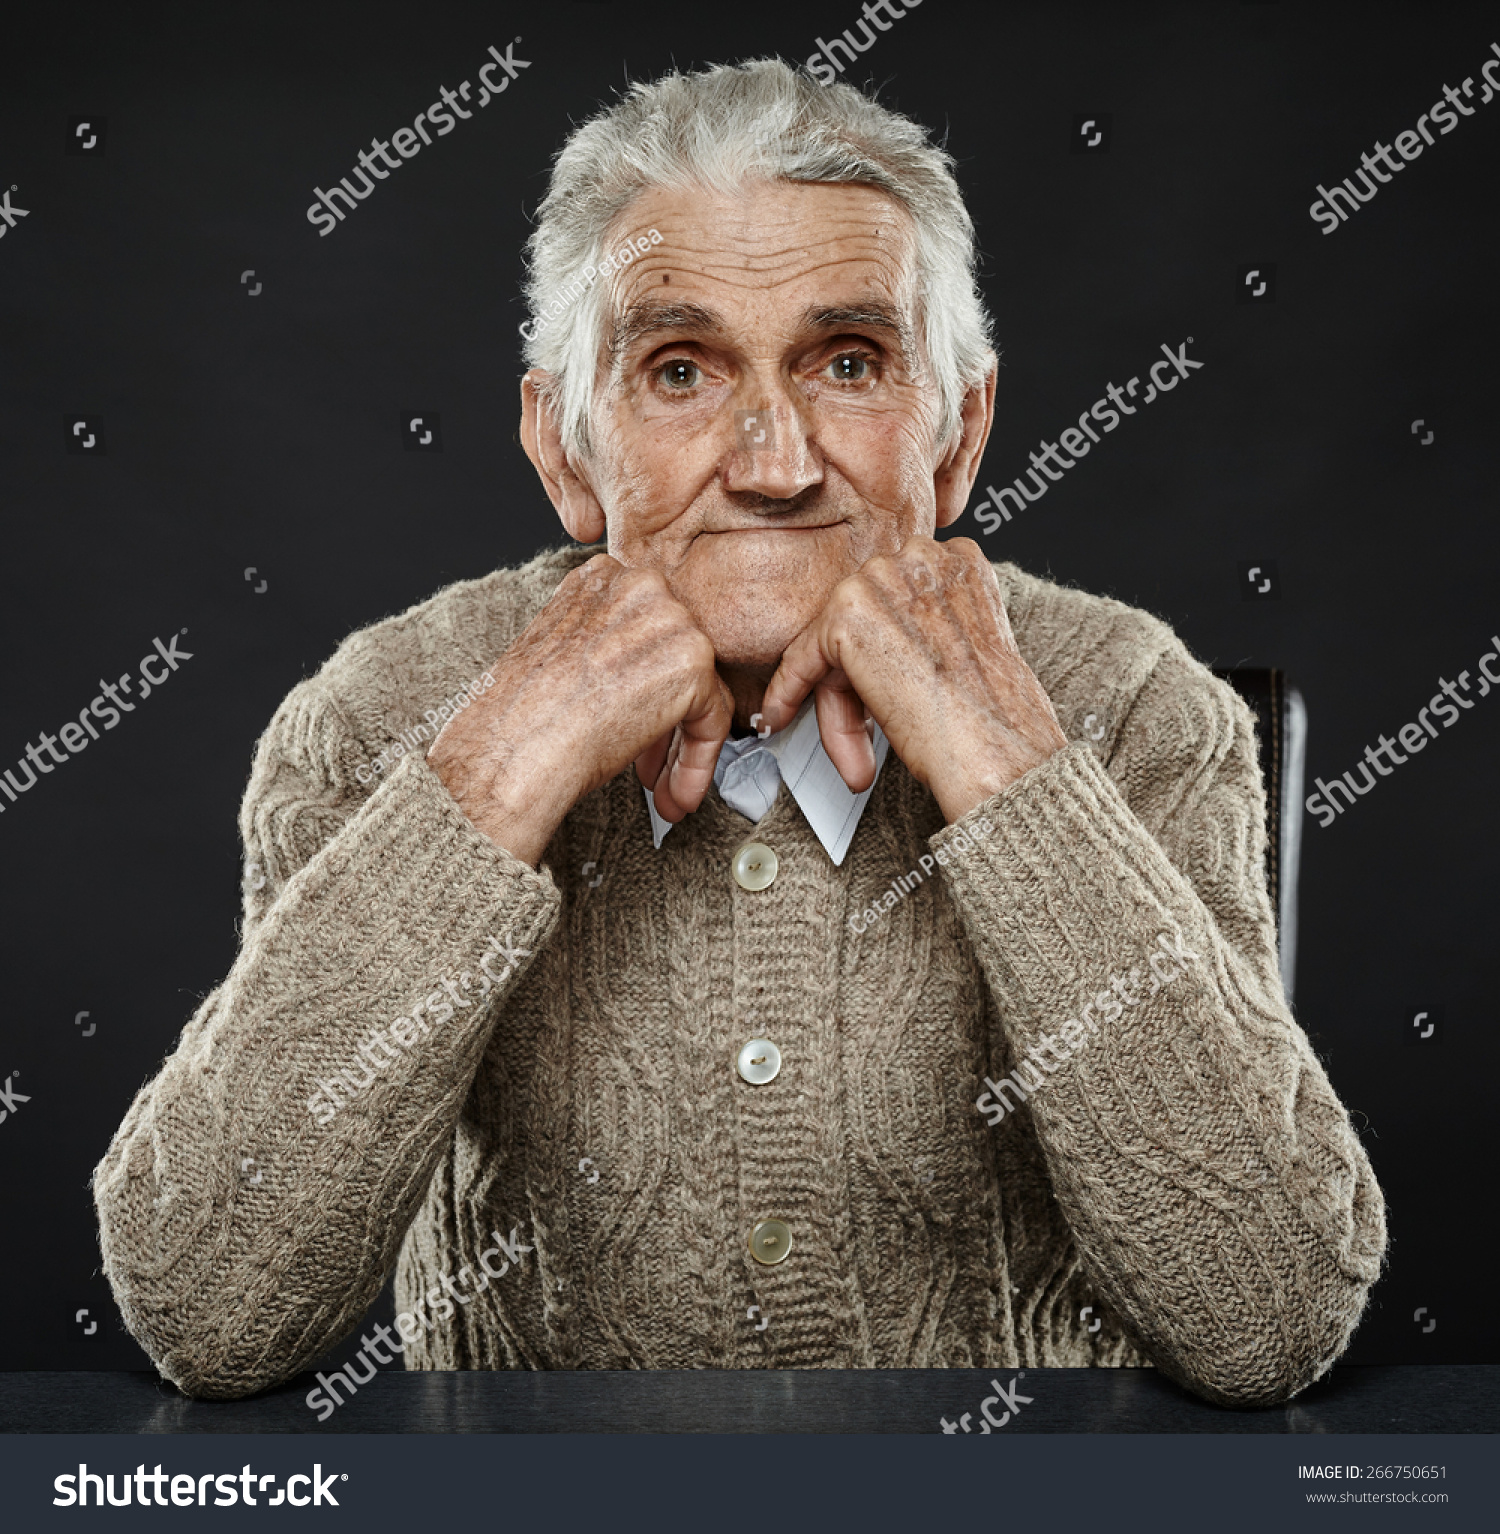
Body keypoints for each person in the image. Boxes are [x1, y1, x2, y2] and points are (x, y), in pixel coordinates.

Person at [95, 57, 1385, 1407]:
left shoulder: (1135, 706)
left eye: (848, 361)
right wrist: (495, 772)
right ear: (563, 447)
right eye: (678, 369)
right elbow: (210, 1311)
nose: (774, 461)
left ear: (957, 435)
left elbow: (1272, 1318)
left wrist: (1008, 763)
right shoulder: (372, 723)